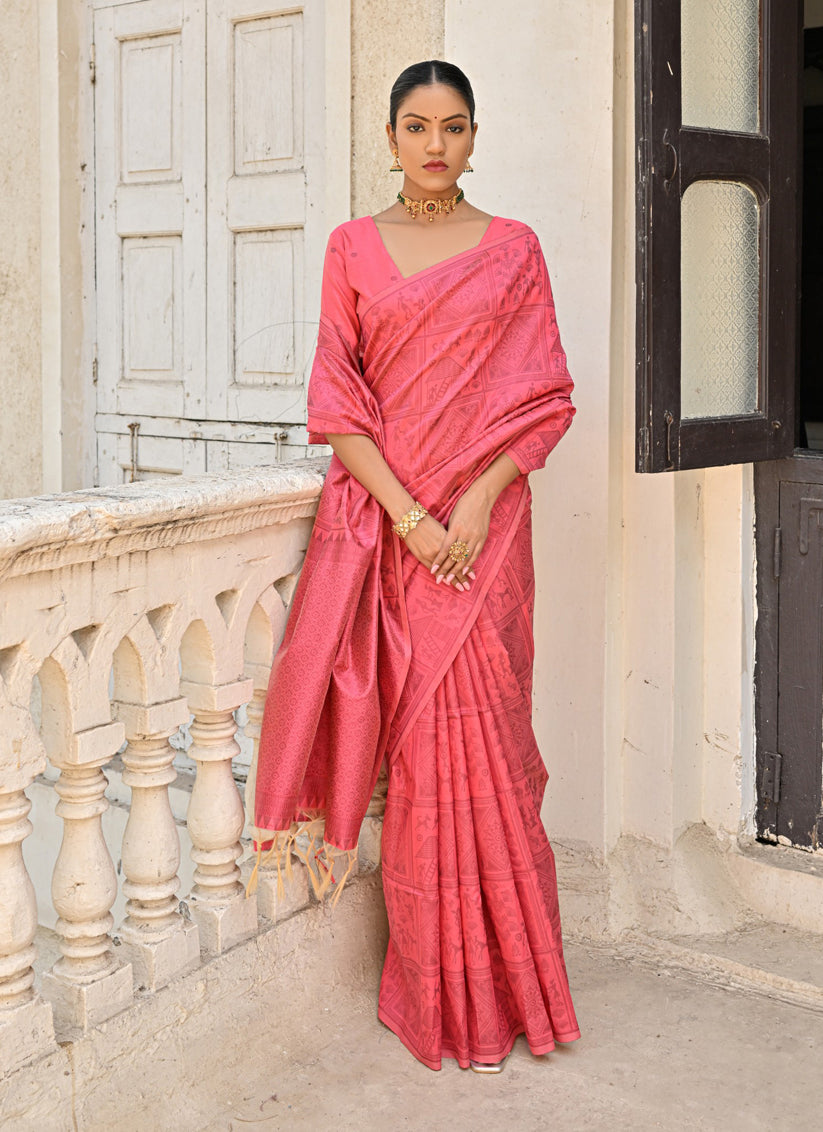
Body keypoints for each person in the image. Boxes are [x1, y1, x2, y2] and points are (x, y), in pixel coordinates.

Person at [250, 60, 581, 1073]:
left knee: (492, 747)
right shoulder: (352, 248)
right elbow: (338, 403)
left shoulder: (513, 251)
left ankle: (523, 988)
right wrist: (407, 517)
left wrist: (472, 507)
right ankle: (442, 994)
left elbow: (545, 401)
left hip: (483, 542)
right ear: (389, 137)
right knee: (429, 763)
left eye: (453, 126)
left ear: (475, 137)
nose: (434, 144)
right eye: (415, 125)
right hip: (403, 537)